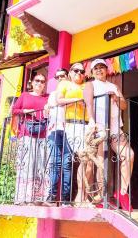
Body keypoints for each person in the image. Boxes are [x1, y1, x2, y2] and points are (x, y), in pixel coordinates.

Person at [84, 58, 134, 211]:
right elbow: (89, 104)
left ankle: (122, 192)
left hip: (115, 128)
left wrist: (116, 98)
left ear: (107, 70)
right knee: (101, 163)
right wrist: (92, 121)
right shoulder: (90, 84)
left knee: (129, 155)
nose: (99, 70)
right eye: (96, 68)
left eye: (102, 67)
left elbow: (124, 105)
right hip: (99, 128)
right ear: (92, 72)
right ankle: (100, 197)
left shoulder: (113, 86)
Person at [56, 63, 92, 205]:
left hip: (86, 124)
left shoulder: (87, 86)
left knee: (88, 161)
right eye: (75, 70)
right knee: (83, 157)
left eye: (82, 71)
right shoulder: (65, 84)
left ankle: (83, 195)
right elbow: (59, 100)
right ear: (70, 73)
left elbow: (91, 103)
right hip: (72, 124)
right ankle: (79, 197)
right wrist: (77, 100)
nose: (79, 73)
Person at [12, 73, 48, 204]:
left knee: (40, 164)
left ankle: (36, 197)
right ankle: (22, 197)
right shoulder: (25, 95)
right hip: (26, 133)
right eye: (37, 81)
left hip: (42, 134)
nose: (39, 83)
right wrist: (26, 111)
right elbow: (15, 110)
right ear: (32, 83)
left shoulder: (47, 98)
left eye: (42, 81)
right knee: (26, 164)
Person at [44, 68, 72, 205]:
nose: (60, 78)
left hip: (69, 131)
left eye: (63, 76)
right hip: (55, 131)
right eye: (58, 76)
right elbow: (47, 112)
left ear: (67, 77)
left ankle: (66, 199)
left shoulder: (72, 91)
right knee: (55, 163)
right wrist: (46, 109)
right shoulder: (53, 94)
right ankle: (52, 196)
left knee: (67, 164)